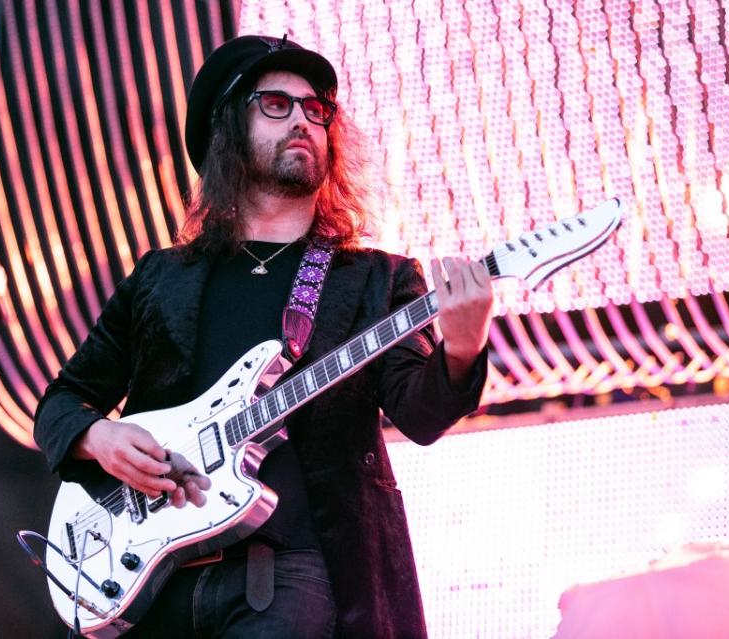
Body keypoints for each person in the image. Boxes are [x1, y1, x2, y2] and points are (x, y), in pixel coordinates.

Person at [35, 34, 493, 638]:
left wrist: (463, 348)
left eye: (316, 109)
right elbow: (63, 402)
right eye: (276, 104)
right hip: (147, 580)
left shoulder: (376, 280)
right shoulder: (161, 278)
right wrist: (100, 436)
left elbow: (422, 414)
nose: (303, 119)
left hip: (289, 578)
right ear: (226, 128)